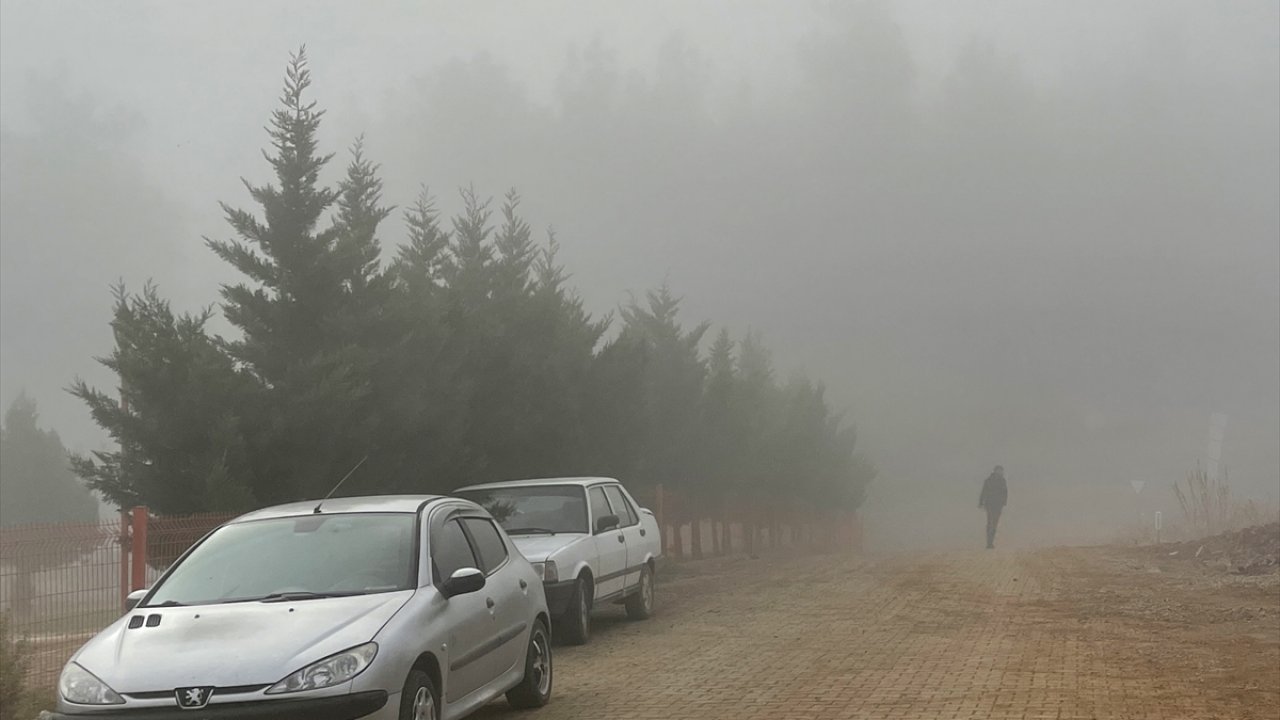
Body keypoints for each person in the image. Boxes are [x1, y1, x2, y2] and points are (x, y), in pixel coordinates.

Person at [978, 465, 1008, 549]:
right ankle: (989, 542)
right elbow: (984, 491)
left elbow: (1005, 492)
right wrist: (981, 502)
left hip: (998, 505)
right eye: (999, 470)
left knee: (994, 523)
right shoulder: (989, 480)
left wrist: (1004, 502)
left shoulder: (1002, 481)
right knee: (990, 522)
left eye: (1001, 470)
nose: (1000, 472)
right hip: (990, 504)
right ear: (995, 471)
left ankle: (991, 542)